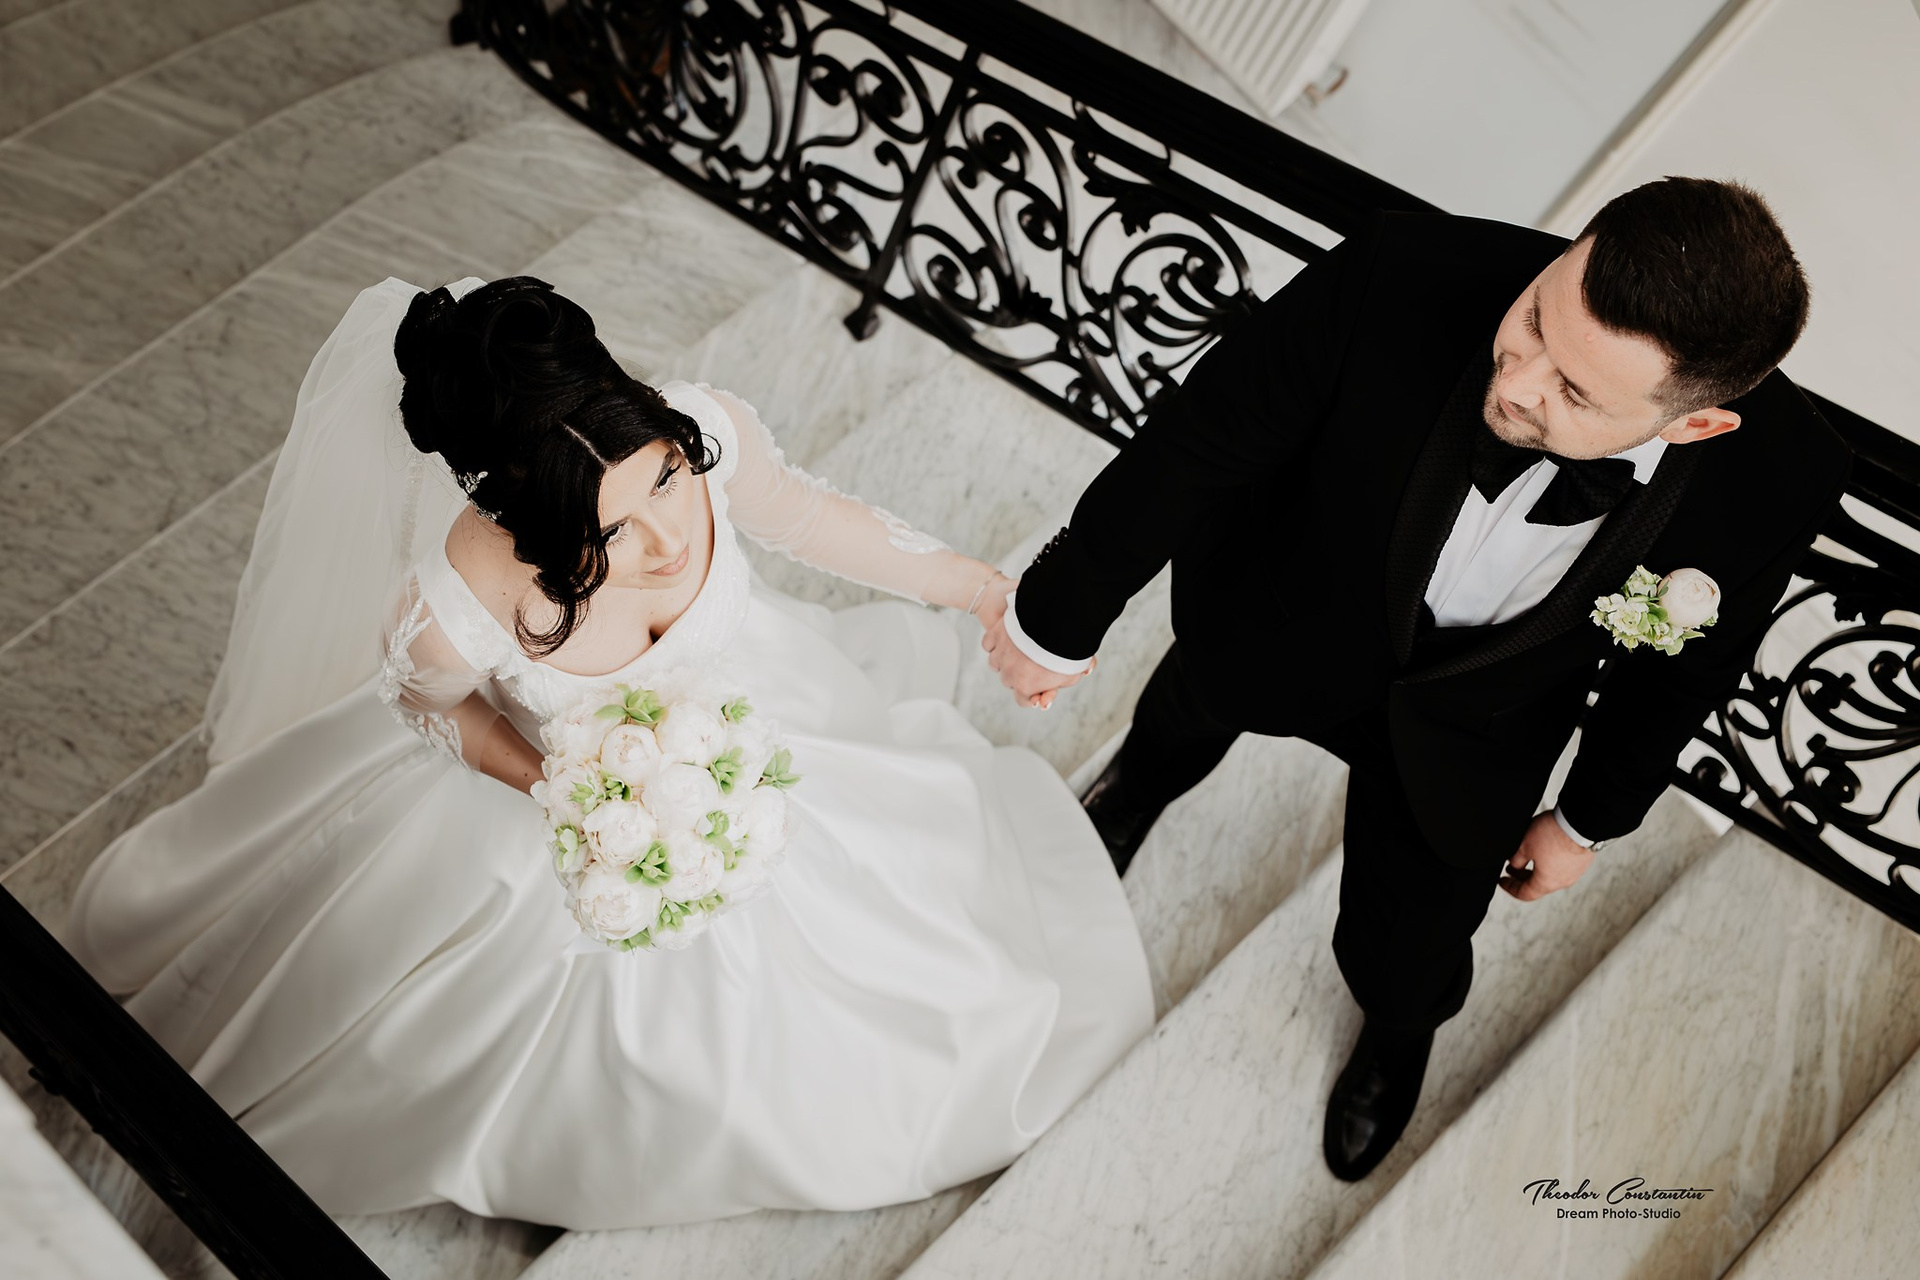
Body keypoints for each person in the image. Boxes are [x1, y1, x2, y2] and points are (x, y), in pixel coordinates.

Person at [61, 276, 1152, 1228]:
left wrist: (980, 590)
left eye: (666, 479)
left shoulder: (704, 428)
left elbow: (809, 518)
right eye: (614, 530)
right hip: (576, 820)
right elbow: (434, 709)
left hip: (768, 724)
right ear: (533, 524)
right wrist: (562, 786)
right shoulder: (459, 607)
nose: (670, 539)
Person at [981, 177, 1848, 1181]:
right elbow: (1201, 438)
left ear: (1694, 427)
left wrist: (1584, 822)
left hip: (1482, 726)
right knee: (1188, 707)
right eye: (1536, 319)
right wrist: (1056, 618)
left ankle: (1396, 1033)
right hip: (1293, 605)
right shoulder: (1401, 270)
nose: (1518, 381)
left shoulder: (1782, 477)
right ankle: (1135, 790)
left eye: (1575, 393)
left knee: (1413, 942)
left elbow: (1687, 672)